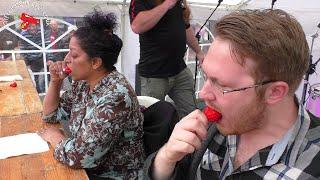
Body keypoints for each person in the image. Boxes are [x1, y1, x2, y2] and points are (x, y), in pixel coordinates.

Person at [144, 9, 320, 179]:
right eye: (206, 76)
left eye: (221, 84)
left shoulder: (310, 166)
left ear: (274, 92)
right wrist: (165, 159)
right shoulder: (211, 127)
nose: (204, 94)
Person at [39, 10, 145, 179]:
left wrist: (56, 137)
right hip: (88, 170)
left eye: (74, 55)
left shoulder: (115, 96)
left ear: (95, 62)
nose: (66, 59)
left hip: (112, 175)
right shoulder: (83, 84)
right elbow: (50, 116)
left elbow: (79, 157)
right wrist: (55, 82)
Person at [129, 0, 204, 118]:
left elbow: (185, 27)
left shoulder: (178, 2)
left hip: (179, 70)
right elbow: (136, 26)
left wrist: (198, 51)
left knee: (192, 114)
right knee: (153, 119)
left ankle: (188, 135)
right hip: (154, 74)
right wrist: (166, 4)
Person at [20, 24, 45, 93]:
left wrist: (48, 58)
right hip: (31, 60)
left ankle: (45, 92)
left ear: (36, 26)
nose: (31, 28)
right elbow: (23, 50)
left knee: (46, 77)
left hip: (42, 58)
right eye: (29, 26)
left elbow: (46, 44)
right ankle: (38, 93)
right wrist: (27, 63)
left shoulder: (41, 32)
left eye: (33, 26)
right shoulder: (23, 34)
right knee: (35, 79)